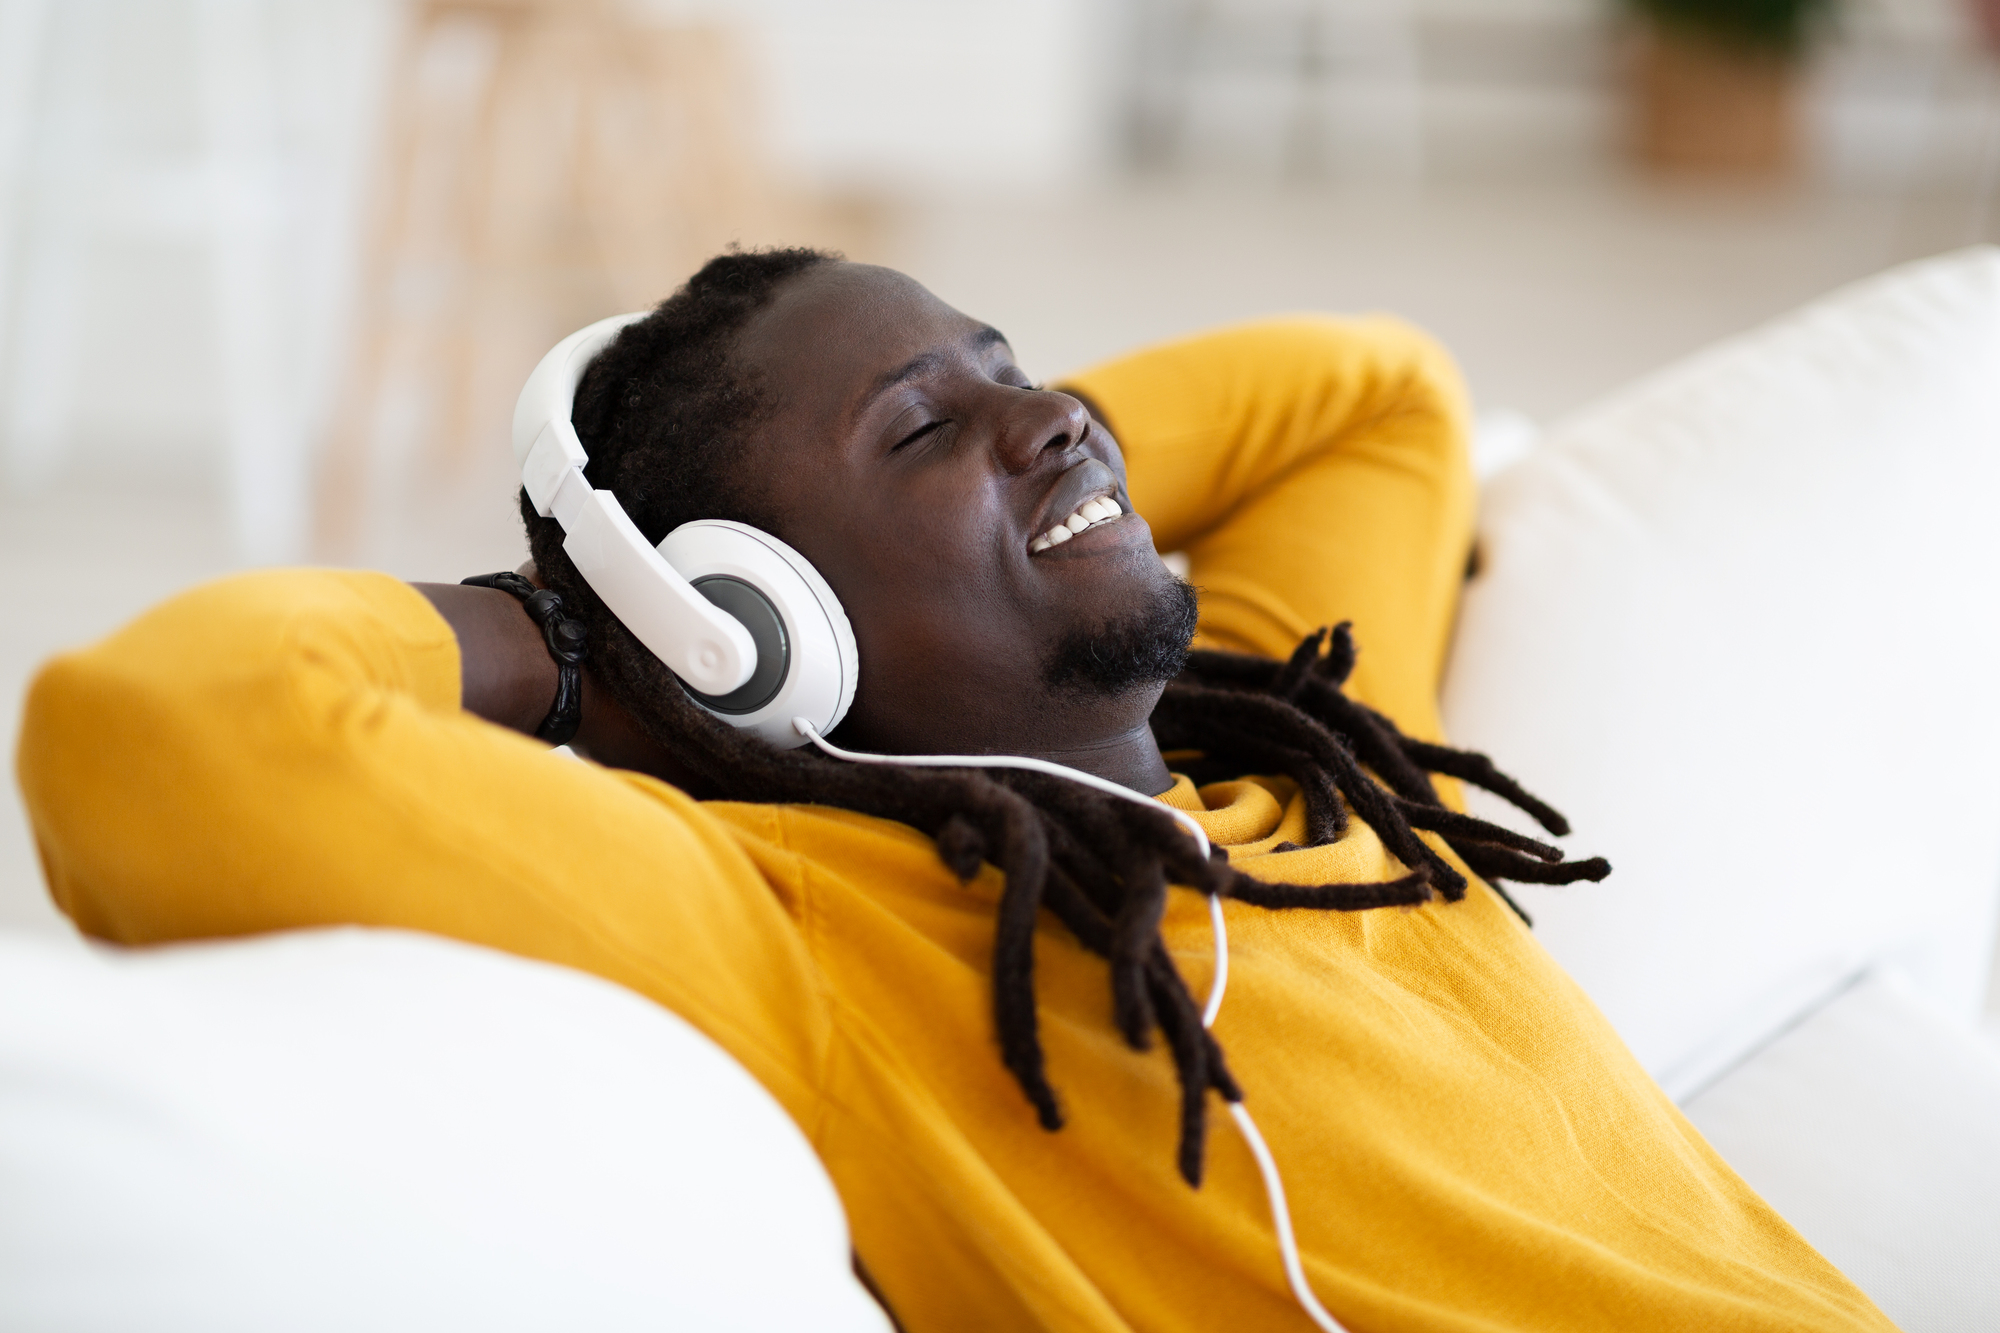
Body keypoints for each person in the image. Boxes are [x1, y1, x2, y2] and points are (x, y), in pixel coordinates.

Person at [18, 249, 1892, 1331]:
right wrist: (588, 626)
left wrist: (1019, 457)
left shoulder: (1295, 764)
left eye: (1017, 367)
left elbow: (1366, 390)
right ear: (763, 632)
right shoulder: (830, 939)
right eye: (918, 429)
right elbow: (158, 732)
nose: (1056, 415)